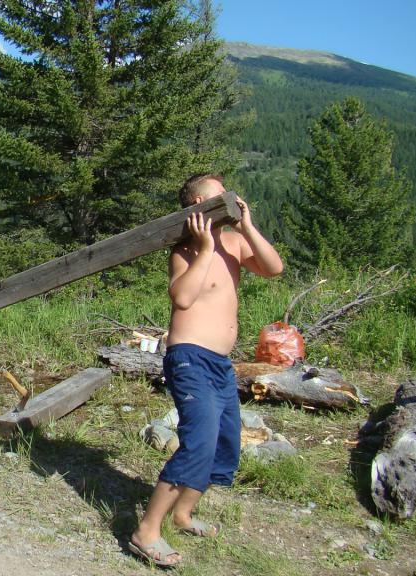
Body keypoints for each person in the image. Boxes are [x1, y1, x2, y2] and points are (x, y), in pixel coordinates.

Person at [128, 175, 284, 567]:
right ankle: (147, 530)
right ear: (201, 203)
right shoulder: (185, 249)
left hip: (220, 364)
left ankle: (181, 514)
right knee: (198, 440)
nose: (232, 196)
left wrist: (246, 227)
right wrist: (206, 248)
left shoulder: (235, 243)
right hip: (190, 358)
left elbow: (274, 268)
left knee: (224, 443)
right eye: (221, 193)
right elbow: (182, 298)